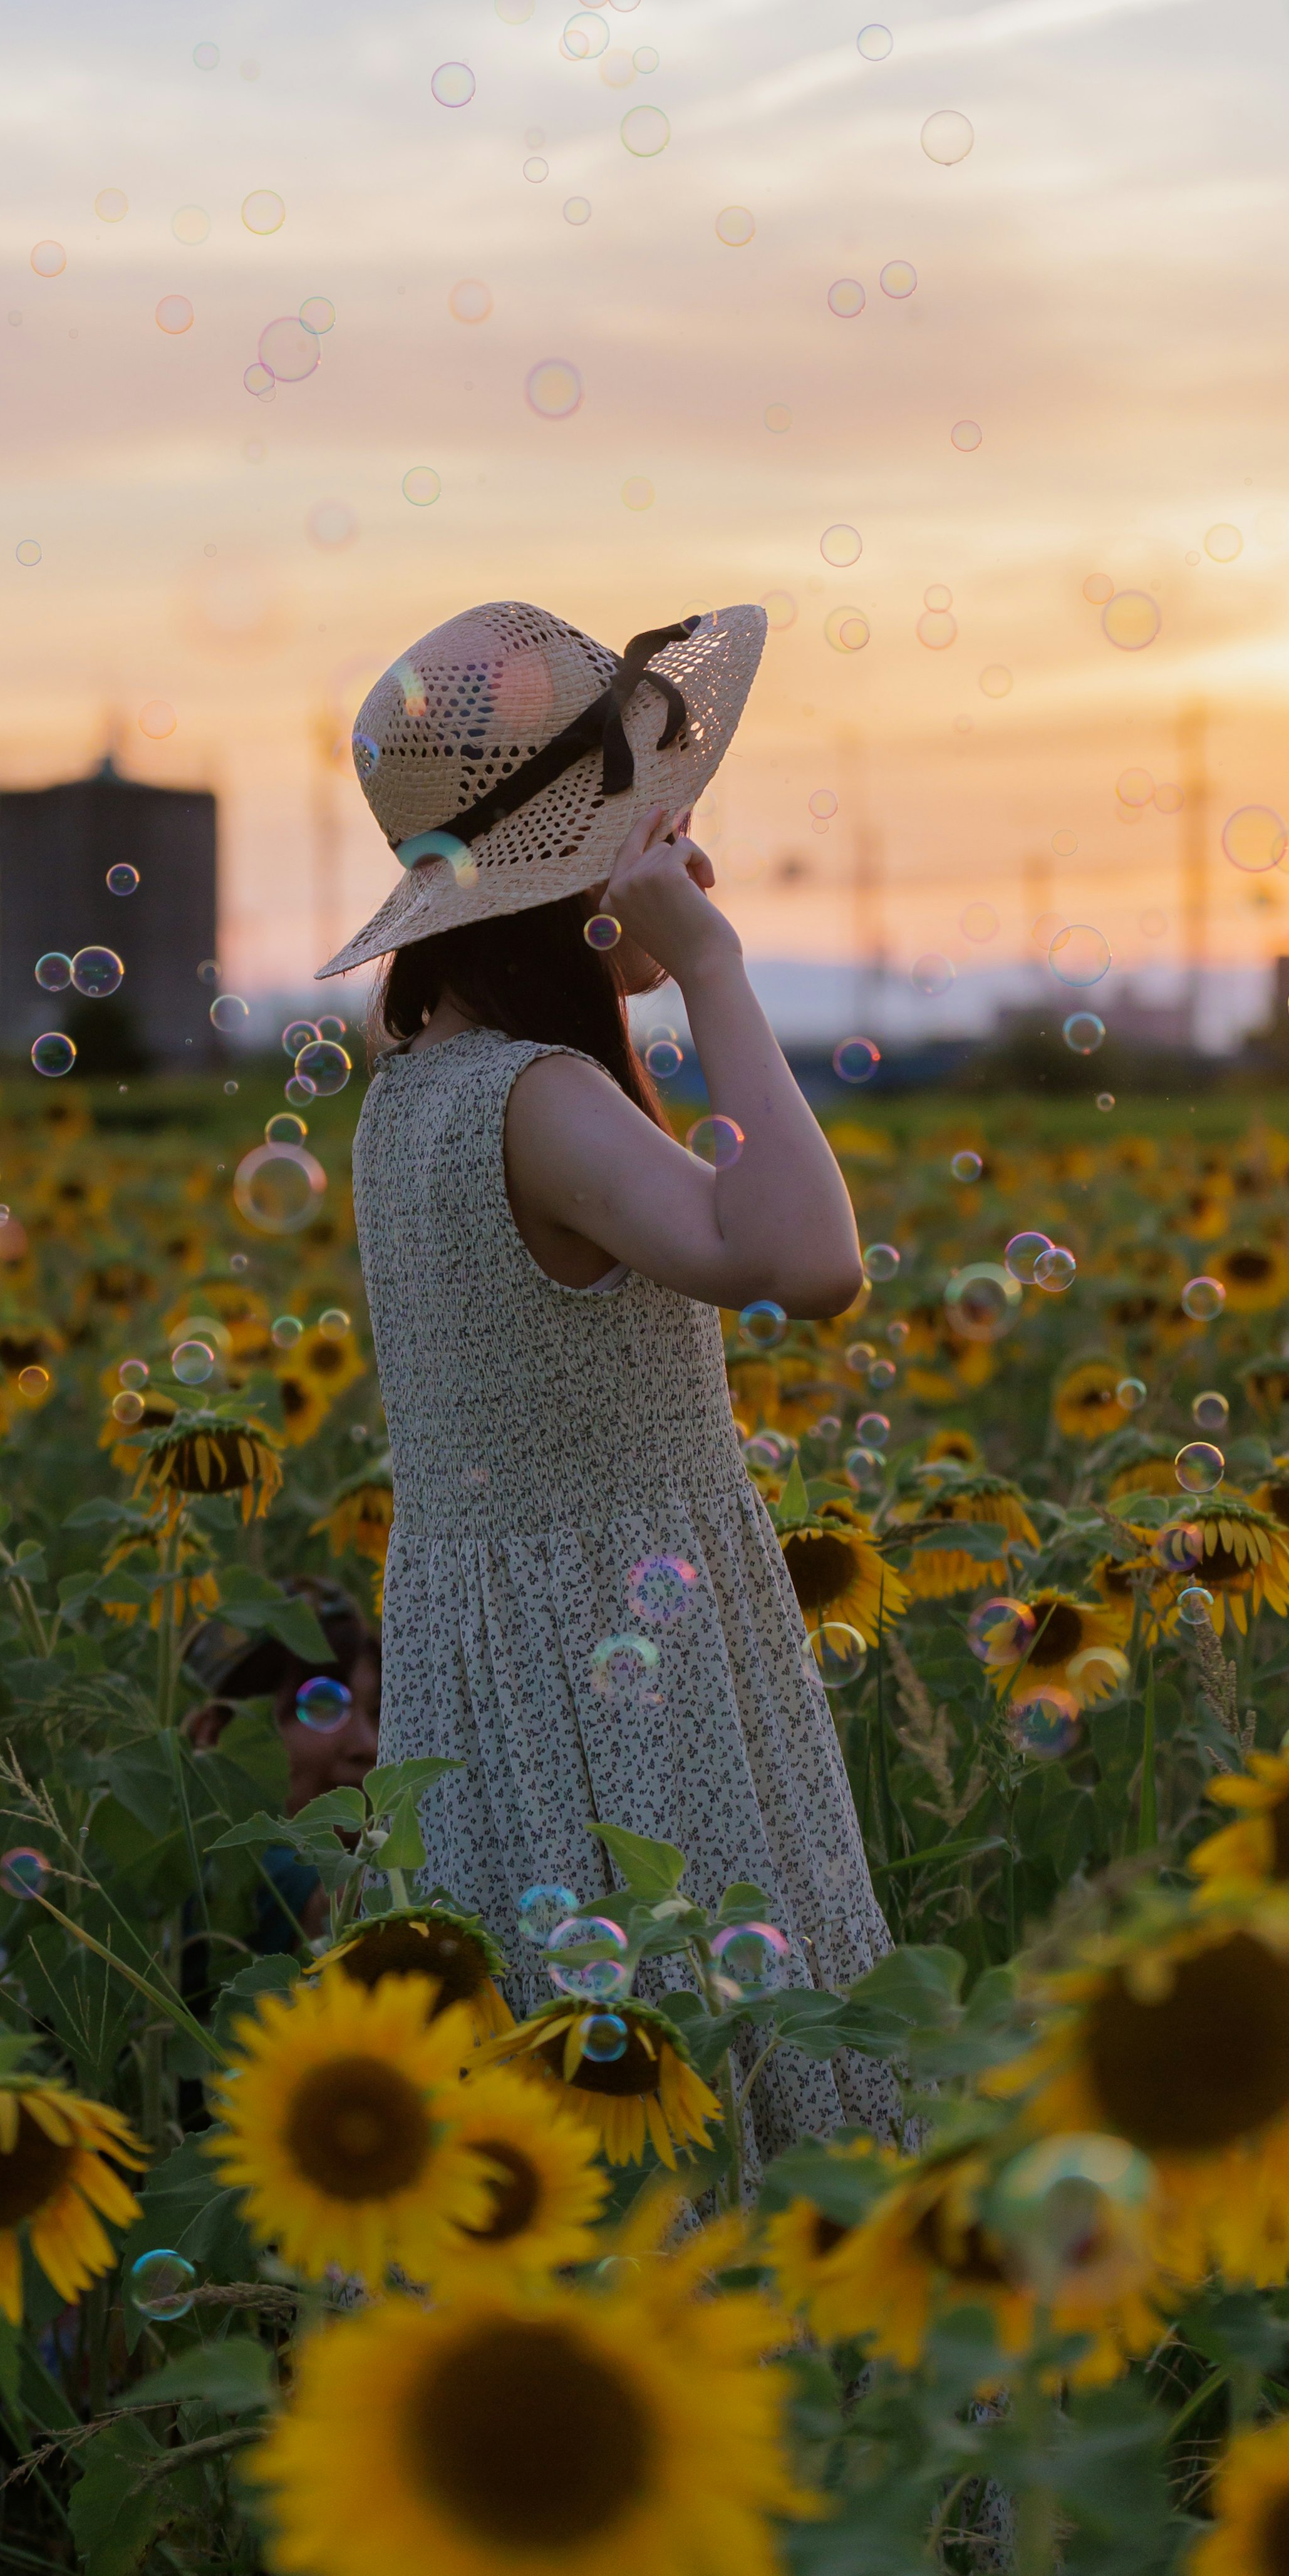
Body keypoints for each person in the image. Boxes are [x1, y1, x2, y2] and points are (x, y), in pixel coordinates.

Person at [316, 599, 899, 2168]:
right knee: (692, 2044)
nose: (693, 841)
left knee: (557, 2076)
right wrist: (713, 969)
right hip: (619, 1655)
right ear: (580, 860)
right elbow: (806, 1255)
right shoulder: (542, 1094)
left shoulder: (415, 1092)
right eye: (665, 811)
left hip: (495, 1644)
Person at [185, 1599, 381, 1943]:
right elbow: (342, 1903)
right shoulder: (192, 1873)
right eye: (326, 1706)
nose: (369, 1745)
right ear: (214, 1735)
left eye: (381, 1711)